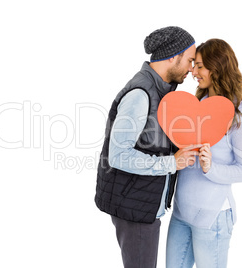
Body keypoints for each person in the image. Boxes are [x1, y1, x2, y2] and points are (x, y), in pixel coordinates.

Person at [94, 26, 197, 268]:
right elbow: (118, 156)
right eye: (190, 60)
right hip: (134, 207)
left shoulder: (160, 92)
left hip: (140, 203)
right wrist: (173, 162)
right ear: (174, 55)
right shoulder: (142, 94)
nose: (192, 69)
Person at [166, 39, 242, 268]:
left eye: (200, 66)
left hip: (212, 218)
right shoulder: (197, 103)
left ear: (217, 68)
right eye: (194, 65)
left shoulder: (238, 115)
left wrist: (210, 167)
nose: (193, 72)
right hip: (180, 214)